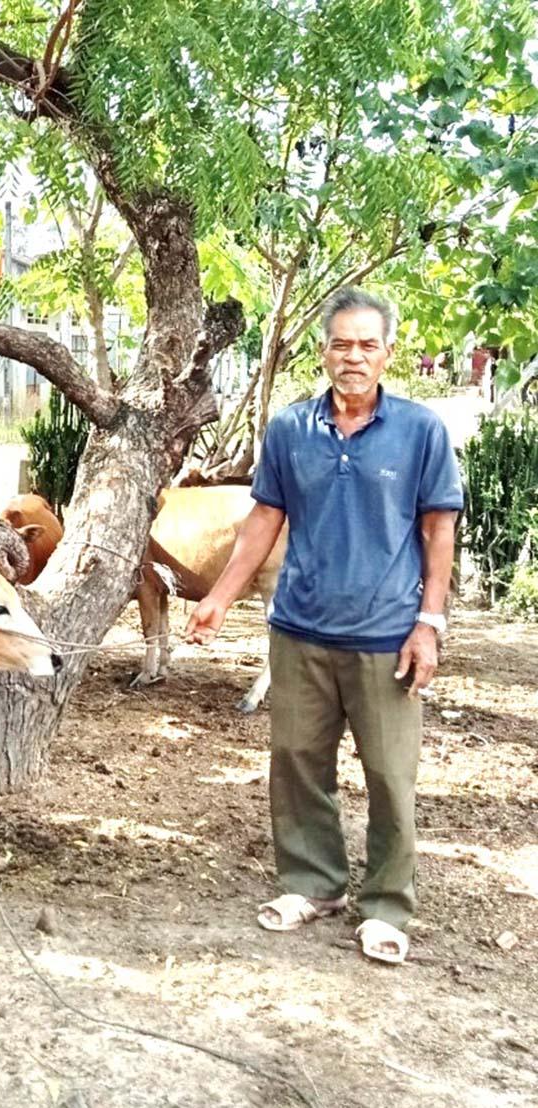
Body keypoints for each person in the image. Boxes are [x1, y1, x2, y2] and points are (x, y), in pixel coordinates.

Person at [186, 287, 462, 966]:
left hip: (386, 635)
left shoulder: (421, 431)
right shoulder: (289, 430)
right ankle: (313, 885)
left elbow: (438, 529)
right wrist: (220, 595)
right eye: (342, 343)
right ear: (324, 351)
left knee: (390, 776)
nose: (354, 356)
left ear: (388, 353)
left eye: (368, 344)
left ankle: (387, 905)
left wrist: (429, 623)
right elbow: (264, 520)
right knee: (298, 764)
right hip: (300, 628)